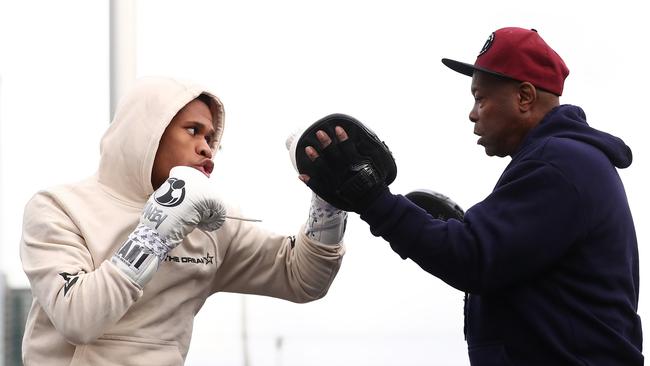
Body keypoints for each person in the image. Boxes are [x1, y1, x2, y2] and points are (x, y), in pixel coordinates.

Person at [296, 27, 642, 365]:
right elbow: (496, 267)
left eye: (481, 98)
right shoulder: (563, 161)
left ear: (524, 97)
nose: (473, 113)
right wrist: (445, 234)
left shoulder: (559, 165)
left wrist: (375, 201)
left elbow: (473, 259)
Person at [20, 76, 347, 365]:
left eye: (210, 138)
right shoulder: (58, 207)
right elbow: (77, 317)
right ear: (149, 133)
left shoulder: (213, 226)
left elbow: (301, 278)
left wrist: (329, 203)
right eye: (193, 131)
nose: (207, 148)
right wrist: (156, 231)